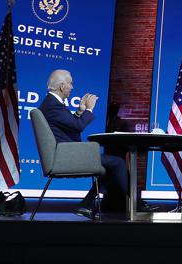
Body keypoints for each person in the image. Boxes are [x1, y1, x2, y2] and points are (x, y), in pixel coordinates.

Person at [38, 69, 157, 216]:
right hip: (66, 157)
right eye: (70, 83)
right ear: (62, 86)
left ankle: (86, 204)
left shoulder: (51, 104)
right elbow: (78, 126)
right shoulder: (53, 105)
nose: (72, 87)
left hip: (66, 153)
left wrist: (80, 112)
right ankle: (138, 204)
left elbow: (69, 126)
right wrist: (89, 109)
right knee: (117, 162)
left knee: (110, 165)